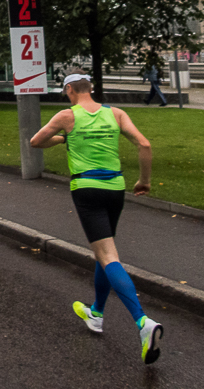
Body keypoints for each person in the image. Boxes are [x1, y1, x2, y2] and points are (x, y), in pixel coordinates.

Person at [31, 72, 163, 364]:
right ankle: (97, 313)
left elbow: (35, 141)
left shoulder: (68, 116)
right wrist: (145, 181)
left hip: (87, 190)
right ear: (90, 88)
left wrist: (64, 137)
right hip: (115, 188)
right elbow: (144, 145)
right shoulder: (115, 113)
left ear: (70, 89)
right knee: (104, 252)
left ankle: (143, 322)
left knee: (108, 255)